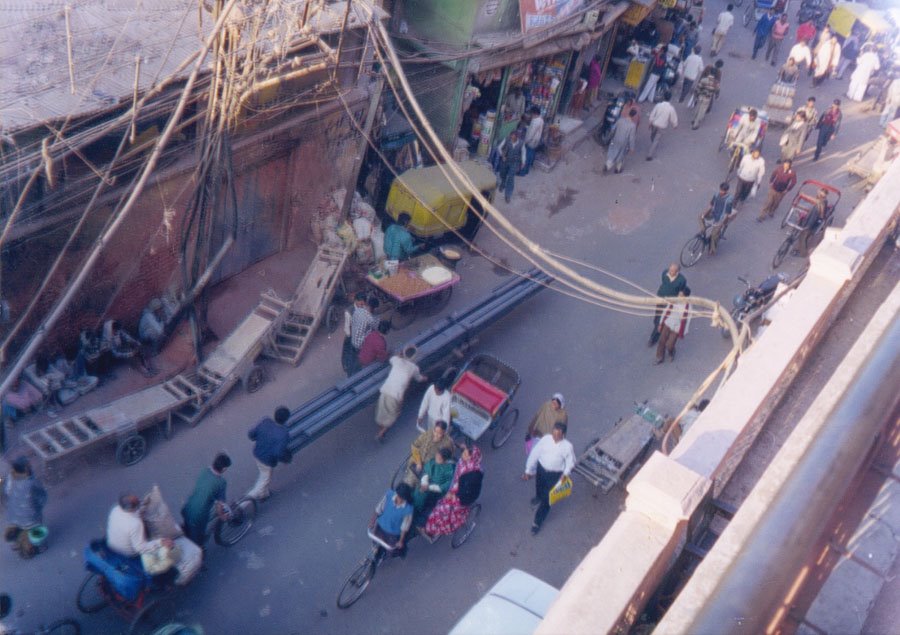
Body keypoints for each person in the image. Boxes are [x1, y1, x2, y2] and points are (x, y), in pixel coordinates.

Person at [522, 422, 575, 535]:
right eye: (553, 433)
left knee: (547, 500)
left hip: (555, 475)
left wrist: (565, 475)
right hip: (541, 470)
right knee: (539, 487)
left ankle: (537, 522)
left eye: (557, 434)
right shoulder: (546, 439)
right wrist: (528, 470)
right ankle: (538, 497)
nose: (554, 436)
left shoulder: (567, 447)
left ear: (563, 435)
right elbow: (535, 454)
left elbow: (570, 462)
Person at [424, 441, 483, 538]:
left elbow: (466, 491)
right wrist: (460, 445)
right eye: (463, 453)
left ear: (471, 458)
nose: (463, 455)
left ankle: (440, 528)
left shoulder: (474, 475)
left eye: (465, 455)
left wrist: (454, 496)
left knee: (443, 510)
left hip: (464, 497)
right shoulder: (466, 463)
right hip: (458, 488)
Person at [375, 345, 426, 442]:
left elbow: (391, 359)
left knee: (382, 411)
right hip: (395, 396)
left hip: (385, 390)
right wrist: (425, 378)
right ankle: (381, 433)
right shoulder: (414, 368)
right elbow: (419, 378)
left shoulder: (396, 360)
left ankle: (380, 426)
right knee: (395, 414)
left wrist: (399, 355)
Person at [107, 493, 171, 566]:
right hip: (128, 553)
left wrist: (142, 507)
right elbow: (140, 548)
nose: (140, 502)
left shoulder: (115, 509)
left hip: (112, 545)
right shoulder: (135, 524)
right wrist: (160, 542)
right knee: (164, 549)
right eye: (138, 503)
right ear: (133, 508)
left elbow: (132, 513)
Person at [181, 453, 230, 546]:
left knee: (188, 526)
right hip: (198, 517)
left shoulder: (205, 470)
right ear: (224, 469)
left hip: (187, 508)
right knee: (197, 542)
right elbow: (220, 506)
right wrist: (222, 517)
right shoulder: (221, 482)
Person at [246, 406, 293, 500]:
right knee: (264, 479)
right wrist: (287, 460)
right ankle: (248, 498)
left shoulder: (265, 421)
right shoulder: (283, 434)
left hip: (257, 452)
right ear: (286, 419)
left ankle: (264, 494)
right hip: (267, 460)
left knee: (263, 474)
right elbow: (278, 453)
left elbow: (251, 434)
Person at [3, 458, 47, 556]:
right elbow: (41, 496)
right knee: (37, 528)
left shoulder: (11, 479)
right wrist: (39, 507)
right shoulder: (32, 483)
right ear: (26, 469)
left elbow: (7, 492)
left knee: (17, 527)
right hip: (30, 518)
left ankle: (16, 543)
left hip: (13, 515)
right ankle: (39, 545)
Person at [404, 420, 456, 487]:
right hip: (416, 462)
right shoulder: (428, 433)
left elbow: (447, 458)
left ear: (444, 432)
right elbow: (415, 446)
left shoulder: (448, 443)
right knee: (409, 482)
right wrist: (418, 461)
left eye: (439, 433)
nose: (436, 435)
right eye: (435, 431)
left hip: (431, 468)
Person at [649, 263, 688, 346]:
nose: (670, 272)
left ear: (677, 272)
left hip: (670, 303)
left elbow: (684, 290)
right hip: (660, 300)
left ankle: (654, 338)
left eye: (673, 271)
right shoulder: (664, 274)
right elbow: (663, 283)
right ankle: (657, 331)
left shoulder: (682, 280)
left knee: (663, 320)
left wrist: (682, 293)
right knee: (657, 319)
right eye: (670, 270)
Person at [412, 447, 455, 517]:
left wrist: (428, 487)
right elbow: (426, 472)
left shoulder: (449, 470)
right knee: (418, 491)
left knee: (422, 496)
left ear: (445, 460)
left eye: (439, 459)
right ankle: (414, 507)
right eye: (436, 456)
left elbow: (445, 486)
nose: (436, 459)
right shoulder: (433, 461)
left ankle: (416, 511)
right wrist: (424, 483)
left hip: (436, 489)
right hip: (426, 483)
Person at [373, 483, 414, 557]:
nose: (399, 499)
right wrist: (372, 521)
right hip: (380, 526)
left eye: (402, 498)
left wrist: (400, 541)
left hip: (392, 534)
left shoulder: (408, 509)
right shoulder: (389, 495)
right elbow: (379, 508)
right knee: (375, 541)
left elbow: (404, 527)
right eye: (399, 496)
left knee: (392, 551)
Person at [655, 288, 691, 364]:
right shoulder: (674, 301)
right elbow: (665, 312)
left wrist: (685, 331)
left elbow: (688, 320)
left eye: (681, 295)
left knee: (669, 344)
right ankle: (660, 357)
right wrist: (661, 323)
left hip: (677, 327)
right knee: (662, 340)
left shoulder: (688, 307)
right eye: (679, 294)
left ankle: (671, 352)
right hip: (668, 323)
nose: (678, 296)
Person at [346, 295, 380, 377]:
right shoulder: (372, 319)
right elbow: (376, 328)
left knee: (353, 361)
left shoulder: (358, 310)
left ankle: (350, 373)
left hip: (353, 340)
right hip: (360, 344)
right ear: (374, 308)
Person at [700, 182, 735, 256]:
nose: (721, 192)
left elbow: (727, 214)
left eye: (723, 191)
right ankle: (703, 230)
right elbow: (711, 205)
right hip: (714, 214)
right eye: (721, 190)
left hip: (721, 219)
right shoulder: (716, 195)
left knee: (714, 234)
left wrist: (721, 223)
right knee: (700, 216)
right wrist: (705, 214)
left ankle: (713, 249)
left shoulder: (729, 201)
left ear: (726, 191)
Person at [794, 189, 828, 257]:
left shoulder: (822, 202)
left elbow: (816, 201)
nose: (819, 194)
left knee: (803, 237)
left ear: (824, 195)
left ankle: (803, 253)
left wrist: (803, 195)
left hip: (813, 222)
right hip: (809, 219)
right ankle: (797, 248)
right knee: (803, 235)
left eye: (821, 194)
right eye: (819, 192)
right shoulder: (820, 199)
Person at [496, 130, 526, 204]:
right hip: (505, 160)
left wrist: (523, 162)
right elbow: (499, 147)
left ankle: (508, 195)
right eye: (511, 137)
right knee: (502, 174)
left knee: (511, 178)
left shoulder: (521, 143)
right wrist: (502, 155)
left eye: (513, 137)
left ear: (516, 138)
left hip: (514, 162)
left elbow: (523, 153)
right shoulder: (506, 139)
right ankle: (502, 184)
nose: (511, 138)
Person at [604, 108, 637, 174]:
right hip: (624, 143)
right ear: (634, 116)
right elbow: (631, 138)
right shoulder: (632, 126)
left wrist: (609, 137)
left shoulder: (620, 120)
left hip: (616, 139)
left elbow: (613, 129)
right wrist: (632, 148)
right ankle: (617, 169)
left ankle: (607, 165)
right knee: (621, 155)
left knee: (613, 152)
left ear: (629, 112)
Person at [646, 91, 677, 160]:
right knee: (656, 140)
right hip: (662, 126)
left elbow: (652, 114)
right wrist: (675, 125)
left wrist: (650, 122)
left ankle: (651, 150)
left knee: (653, 137)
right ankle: (650, 154)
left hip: (654, 124)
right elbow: (673, 118)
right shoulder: (671, 108)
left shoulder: (658, 105)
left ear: (663, 97)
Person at [521, 106, 544, 175]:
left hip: (531, 141)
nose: (530, 115)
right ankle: (527, 170)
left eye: (531, 113)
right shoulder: (540, 119)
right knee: (531, 155)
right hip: (536, 141)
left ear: (534, 113)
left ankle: (523, 172)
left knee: (526, 157)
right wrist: (528, 127)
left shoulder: (535, 121)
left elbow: (530, 134)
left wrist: (525, 142)